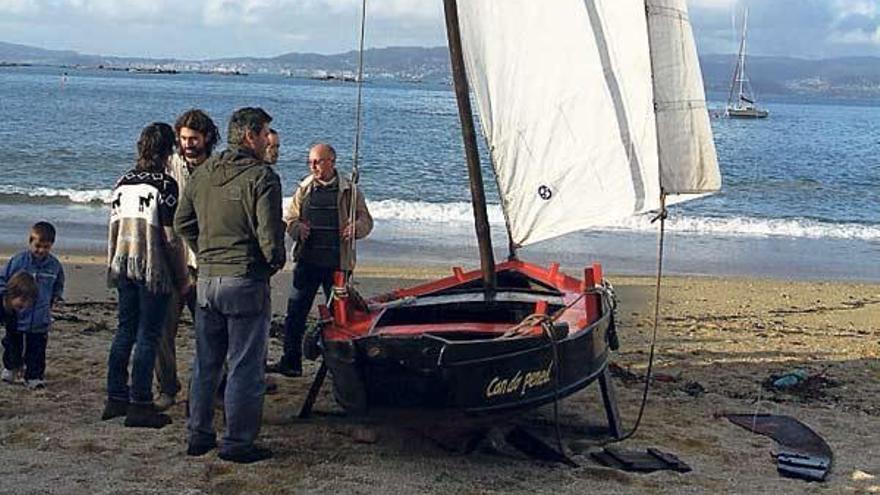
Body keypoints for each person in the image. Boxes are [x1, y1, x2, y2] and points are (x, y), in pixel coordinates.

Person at [175, 107, 285, 463]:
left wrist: (205, 252)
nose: (271, 139)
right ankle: (237, 443)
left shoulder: (204, 173)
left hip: (208, 280)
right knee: (244, 366)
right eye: (266, 132)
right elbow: (270, 240)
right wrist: (273, 263)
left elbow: (183, 222)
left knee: (207, 362)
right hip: (243, 280)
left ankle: (198, 434)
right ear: (250, 136)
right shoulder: (262, 177)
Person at [102, 122, 188, 429]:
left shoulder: (122, 182)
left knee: (124, 329)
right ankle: (140, 403)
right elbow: (171, 238)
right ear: (168, 150)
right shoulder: (165, 185)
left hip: (123, 263)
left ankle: (115, 397)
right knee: (148, 335)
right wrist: (182, 277)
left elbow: (114, 228)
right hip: (154, 270)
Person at [268, 143, 372, 377]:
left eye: (317, 161)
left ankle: (340, 367)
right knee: (295, 313)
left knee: (340, 318)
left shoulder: (349, 189)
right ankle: (291, 361)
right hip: (308, 262)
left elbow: (367, 221)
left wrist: (356, 228)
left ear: (331, 162)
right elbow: (290, 218)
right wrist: (297, 228)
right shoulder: (305, 188)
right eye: (310, 162)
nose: (313, 166)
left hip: (338, 265)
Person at [154, 109, 220, 412]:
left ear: (206, 137)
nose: (188, 144)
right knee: (162, 330)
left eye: (193, 138)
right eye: (183, 138)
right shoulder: (170, 167)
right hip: (172, 258)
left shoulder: (218, 168)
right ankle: (167, 386)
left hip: (206, 261)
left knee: (210, 333)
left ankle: (209, 388)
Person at [0, 222, 65, 389]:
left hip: (40, 316)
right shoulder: (18, 261)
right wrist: (6, 296)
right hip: (18, 313)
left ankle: (34, 376)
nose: (41, 250)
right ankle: (11, 367)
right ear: (30, 242)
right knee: (12, 343)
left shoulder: (54, 265)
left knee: (37, 348)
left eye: (46, 247)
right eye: (37, 246)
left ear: (51, 245)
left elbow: (58, 284)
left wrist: (57, 297)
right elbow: (3, 278)